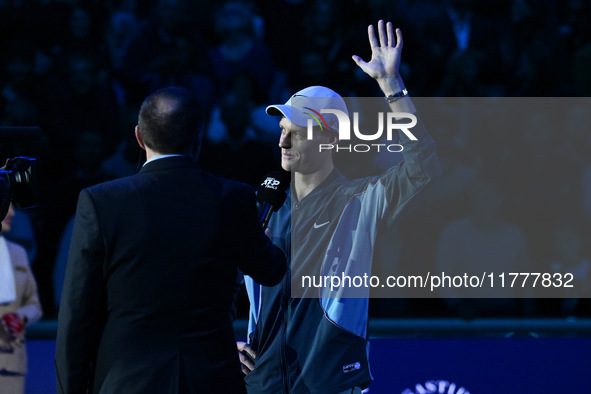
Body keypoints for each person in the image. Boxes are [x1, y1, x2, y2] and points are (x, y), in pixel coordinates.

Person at [239, 20, 442, 393]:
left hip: (331, 384)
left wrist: (391, 85)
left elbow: (423, 168)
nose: (283, 141)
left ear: (329, 136)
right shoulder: (262, 206)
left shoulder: (360, 201)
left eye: (295, 132)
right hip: (261, 386)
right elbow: (212, 281)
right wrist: (223, 340)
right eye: (281, 129)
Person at [55, 86, 286, 393]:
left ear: (138, 136)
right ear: (199, 138)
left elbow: (77, 316)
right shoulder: (234, 199)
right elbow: (271, 272)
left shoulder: (101, 203)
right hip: (211, 382)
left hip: (128, 383)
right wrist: (263, 242)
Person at [0, 203, 43, 394]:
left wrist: (21, 317)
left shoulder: (18, 253)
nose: (12, 212)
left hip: (12, 365)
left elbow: (34, 304)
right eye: (4, 206)